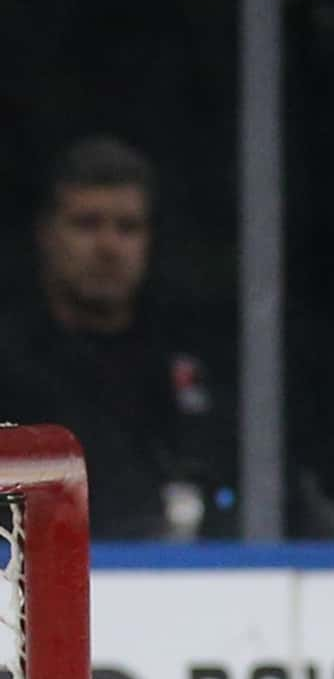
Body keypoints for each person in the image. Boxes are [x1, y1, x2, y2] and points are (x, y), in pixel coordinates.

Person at [0, 137, 227, 540]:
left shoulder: (189, 362)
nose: (108, 247)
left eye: (127, 227)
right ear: (46, 234)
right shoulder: (11, 363)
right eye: (87, 224)